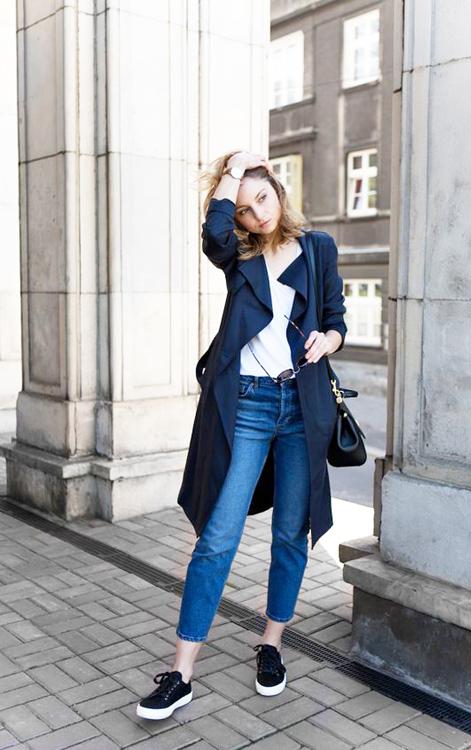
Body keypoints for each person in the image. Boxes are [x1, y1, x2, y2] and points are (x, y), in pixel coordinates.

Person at [136, 150, 347, 720]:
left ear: (279, 190)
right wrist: (232, 172)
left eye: (263, 198)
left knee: (290, 534)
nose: (258, 214)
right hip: (248, 405)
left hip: (300, 406)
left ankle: (271, 644)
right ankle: (181, 673)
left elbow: (336, 319)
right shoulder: (238, 255)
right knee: (217, 537)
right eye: (246, 208)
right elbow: (213, 233)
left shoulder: (319, 248)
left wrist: (327, 340)